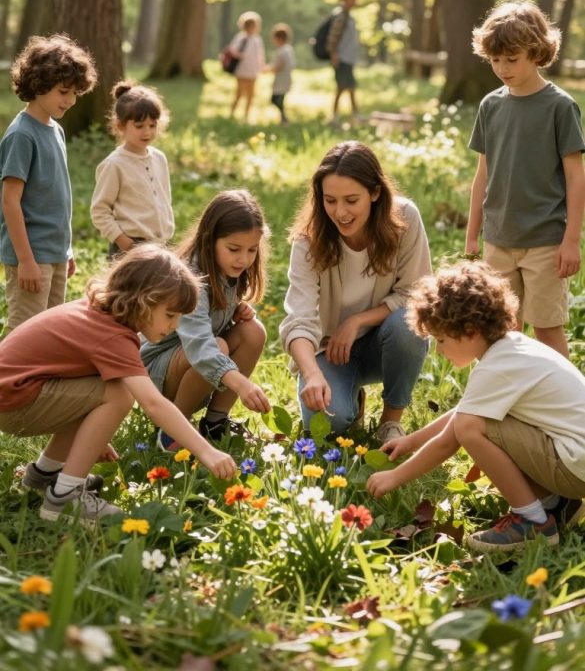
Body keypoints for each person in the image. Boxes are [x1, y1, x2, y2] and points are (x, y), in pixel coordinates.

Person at [0, 244, 237, 523]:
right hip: (14, 402)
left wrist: (94, 434)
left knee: (113, 390)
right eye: (170, 315)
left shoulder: (99, 313)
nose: (175, 325)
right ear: (144, 301)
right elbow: (153, 403)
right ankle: (64, 498)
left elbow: (84, 383)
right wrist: (206, 451)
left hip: (15, 395)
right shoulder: (112, 335)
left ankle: (45, 476)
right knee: (120, 394)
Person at [367, 261, 585, 552]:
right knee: (473, 420)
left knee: (472, 429)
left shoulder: (497, 367)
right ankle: (556, 504)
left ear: (470, 331)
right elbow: (463, 410)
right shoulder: (510, 348)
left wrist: (395, 476)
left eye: (442, 340)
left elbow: (453, 438)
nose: (440, 351)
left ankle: (532, 522)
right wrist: (411, 441)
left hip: (575, 467)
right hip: (575, 460)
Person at [280, 141, 431, 439]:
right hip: (329, 350)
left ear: (375, 193)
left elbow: (416, 294)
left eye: (351, 200)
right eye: (330, 200)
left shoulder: (405, 220)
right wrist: (311, 375)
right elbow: (299, 319)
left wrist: (357, 321)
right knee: (326, 425)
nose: (340, 212)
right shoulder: (308, 241)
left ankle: (390, 421)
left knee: (409, 323)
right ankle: (349, 399)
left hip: (384, 344)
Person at [465, 0, 585, 359]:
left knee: (548, 330)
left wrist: (571, 241)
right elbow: (482, 175)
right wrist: (472, 236)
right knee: (502, 332)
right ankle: (505, 408)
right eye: (495, 60)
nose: (502, 68)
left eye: (511, 59)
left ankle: (565, 410)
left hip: (546, 242)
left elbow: (576, 177)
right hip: (499, 240)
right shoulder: (490, 106)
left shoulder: (560, 106)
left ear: (537, 52)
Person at [141, 190, 271, 450]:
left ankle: (215, 423)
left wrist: (233, 312)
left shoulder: (228, 271)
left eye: (252, 250)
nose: (244, 259)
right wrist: (241, 383)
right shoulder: (189, 278)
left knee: (252, 332)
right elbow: (200, 345)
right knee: (217, 347)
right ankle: (173, 430)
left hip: (191, 365)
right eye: (234, 249)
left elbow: (205, 322)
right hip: (156, 372)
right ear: (210, 241)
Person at [0, 34, 98, 331]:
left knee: (50, 333)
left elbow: (55, 195)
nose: (69, 100)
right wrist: (26, 260)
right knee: (24, 333)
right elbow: (9, 201)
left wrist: (64, 251)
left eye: (75, 93)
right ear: (38, 84)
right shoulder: (21, 135)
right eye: (63, 91)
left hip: (54, 253)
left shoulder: (55, 130)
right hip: (30, 255)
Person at [91, 81, 174, 257]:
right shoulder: (114, 164)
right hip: (130, 248)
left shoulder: (159, 158)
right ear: (121, 126)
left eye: (152, 125)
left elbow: (165, 201)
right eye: (139, 126)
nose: (147, 132)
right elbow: (99, 210)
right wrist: (124, 242)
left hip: (161, 246)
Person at [327, 0, 360, 125]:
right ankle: (339, 116)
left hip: (349, 57)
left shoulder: (349, 16)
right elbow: (333, 36)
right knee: (345, 87)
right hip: (341, 57)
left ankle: (351, 114)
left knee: (347, 87)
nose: (353, 1)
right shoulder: (341, 16)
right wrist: (334, 53)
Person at [228, 12, 265, 122]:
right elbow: (232, 50)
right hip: (241, 71)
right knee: (239, 93)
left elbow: (260, 55)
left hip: (252, 71)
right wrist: (240, 55)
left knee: (250, 95)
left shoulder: (257, 40)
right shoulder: (240, 38)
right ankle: (232, 113)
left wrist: (261, 66)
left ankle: (246, 115)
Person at [267, 23, 295, 125]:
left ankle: (284, 118)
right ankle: (283, 119)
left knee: (275, 99)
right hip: (286, 78)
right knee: (279, 99)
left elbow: (278, 66)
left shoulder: (282, 51)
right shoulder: (288, 49)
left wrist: (268, 70)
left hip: (281, 79)